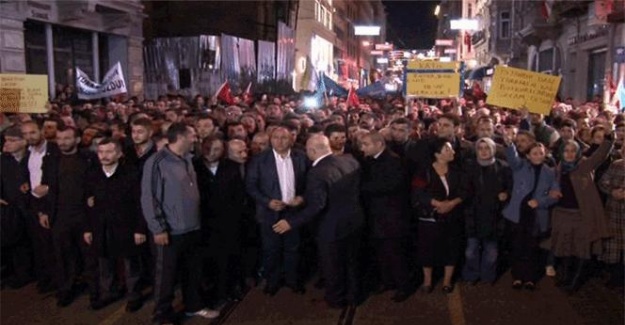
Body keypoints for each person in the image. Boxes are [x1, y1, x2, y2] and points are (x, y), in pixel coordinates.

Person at [273, 134, 364, 308]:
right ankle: (354, 296)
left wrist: (291, 222)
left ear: (313, 151)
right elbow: (336, 189)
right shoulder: (349, 160)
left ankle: (335, 300)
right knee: (352, 262)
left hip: (331, 227)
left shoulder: (317, 172)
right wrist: (304, 197)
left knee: (332, 266)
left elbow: (318, 206)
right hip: (354, 221)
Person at [141, 123, 219, 324]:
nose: (196, 139)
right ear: (181, 137)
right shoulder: (157, 162)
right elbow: (150, 198)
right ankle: (162, 315)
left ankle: (194, 306)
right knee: (165, 277)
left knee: (193, 271)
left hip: (192, 228)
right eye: (192, 135)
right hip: (170, 231)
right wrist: (158, 228)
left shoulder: (188, 159)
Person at [84, 138, 146, 311]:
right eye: (101, 152)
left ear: (119, 154)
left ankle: (134, 295)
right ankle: (108, 292)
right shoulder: (92, 174)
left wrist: (140, 229)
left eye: (109, 152)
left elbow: (140, 203)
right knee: (105, 263)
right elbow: (87, 202)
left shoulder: (131, 174)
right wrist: (88, 228)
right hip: (101, 226)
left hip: (126, 226)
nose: (104, 156)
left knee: (130, 264)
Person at [245, 126, 308, 296]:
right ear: (271, 140)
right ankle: (272, 282)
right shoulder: (259, 160)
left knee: (293, 248)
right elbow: (251, 186)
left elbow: (309, 183)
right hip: (269, 212)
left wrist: (302, 198)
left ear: (292, 140)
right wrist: (267, 202)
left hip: (293, 212)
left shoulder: (301, 158)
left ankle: (293, 280)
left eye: (284, 138)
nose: (279, 141)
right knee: (271, 249)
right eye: (276, 138)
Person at [550, 135, 613, 293]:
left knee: (582, 249)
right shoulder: (558, 168)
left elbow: (600, 155)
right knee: (565, 247)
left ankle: (574, 283)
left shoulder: (584, 165)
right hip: (562, 213)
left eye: (573, 151)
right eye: (566, 151)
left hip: (581, 214)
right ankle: (566, 277)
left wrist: (608, 139)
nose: (570, 154)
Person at [193, 136, 247, 305]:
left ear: (223, 150)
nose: (211, 153)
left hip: (229, 221)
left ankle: (233, 286)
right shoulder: (195, 167)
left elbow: (239, 195)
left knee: (231, 256)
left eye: (216, 149)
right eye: (208, 148)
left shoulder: (232, 167)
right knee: (209, 258)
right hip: (204, 222)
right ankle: (212, 289)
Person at [502, 135, 559, 291]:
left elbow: (555, 195)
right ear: (527, 155)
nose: (538, 156)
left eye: (541, 153)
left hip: (536, 214)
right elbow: (512, 157)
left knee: (532, 247)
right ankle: (517, 277)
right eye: (534, 153)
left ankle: (530, 278)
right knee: (517, 246)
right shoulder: (520, 166)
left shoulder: (550, 172)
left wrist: (540, 201)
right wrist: (509, 144)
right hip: (518, 212)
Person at [359, 132, 411, 302]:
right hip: (375, 217)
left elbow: (391, 185)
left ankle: (403, 286)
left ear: (379, 144)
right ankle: (387, 281)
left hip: (392, 218)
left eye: (366, 144)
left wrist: (362, 188)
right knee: (380, 253)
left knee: (395, 254)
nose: (362, 148)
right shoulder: (368, 161)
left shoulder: (394, 161)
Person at [411, 137, 466, 294]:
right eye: (447, 149)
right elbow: (418, 193)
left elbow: (464, 190)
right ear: (437, 154)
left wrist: (452, 203)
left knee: (451, 247)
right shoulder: (425, 171)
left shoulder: (456, 171)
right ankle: (427, 280)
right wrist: (437, 203)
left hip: (452, 216)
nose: (452, 151)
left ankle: (447, 280)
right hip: (430, 217)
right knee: (427, 248)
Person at [462, 138, 512, 285]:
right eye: (480, 148)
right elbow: (464, 189)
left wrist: (506, 194)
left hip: (494, 215)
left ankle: (487, 276)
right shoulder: (469, 167)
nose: (484, 151)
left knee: (491, 252)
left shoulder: (503, 167)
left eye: (487, 148)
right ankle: (471, 275)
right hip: (473, 214)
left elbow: (510, 187)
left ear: (493, 150)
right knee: (471, 251)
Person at [21, 120, 59, 294]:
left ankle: (59, 280)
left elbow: (61, 177)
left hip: (51, 203)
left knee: (54, 245)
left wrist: (48, 188)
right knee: (40, 244)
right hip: (34, 203)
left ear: (41, 131)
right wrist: (27, 184)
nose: (29, 137)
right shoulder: (27, 153)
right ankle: (47, 278)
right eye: (26, 134)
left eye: (33, 132)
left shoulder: (54, 150)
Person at [0, 126, 34, 289]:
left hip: (32, 206)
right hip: (11, 208)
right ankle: (21, 273)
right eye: (7, 140)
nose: (8, 144)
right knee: (16, 243)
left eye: (12, 140)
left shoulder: (32, 157)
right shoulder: (4, 160)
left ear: (23, 141)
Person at [598, 143, 625, 288]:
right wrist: (612, 192)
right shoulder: (616, 165)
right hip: (614, 211)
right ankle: (615, 276)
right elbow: (603, 182)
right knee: (614, 245)